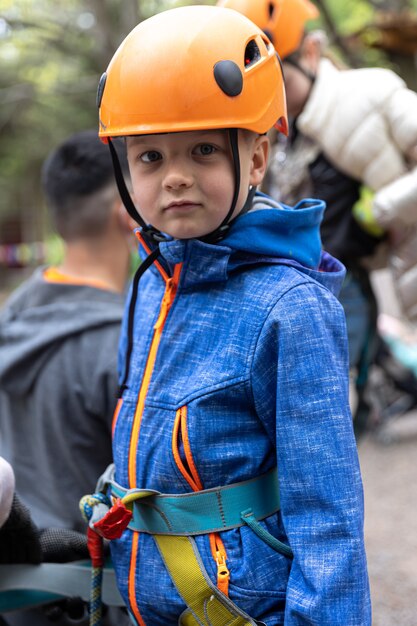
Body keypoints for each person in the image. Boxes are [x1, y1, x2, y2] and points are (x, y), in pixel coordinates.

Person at [85, 5, 371, 625]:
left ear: (258, 158)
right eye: (151, 157)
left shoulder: (289, 308)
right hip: (146, 602)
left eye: (206, 150)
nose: (177, 178)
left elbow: (328, 513)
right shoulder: (154, 282)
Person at [219, 0, 417, 434]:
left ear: (311, 52)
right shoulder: (281, 136)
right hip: (357, 272)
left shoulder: (371, 93)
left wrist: (380, 207)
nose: (275, 98)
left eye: (280, 80)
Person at [0, 129, 134, 533]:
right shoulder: (126, 341)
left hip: (18, 560)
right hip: (91, 580)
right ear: (125, 213)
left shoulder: (13, 312)